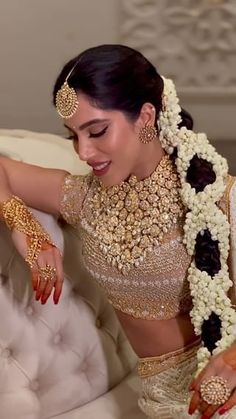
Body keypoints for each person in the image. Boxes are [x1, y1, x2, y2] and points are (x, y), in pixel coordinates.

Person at [0, 44, 236, 418]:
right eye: (73, 136)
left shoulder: (216, 199)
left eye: (97, 131)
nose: (83, 152)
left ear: (145, 116)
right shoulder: (84, 200)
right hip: (163, 401)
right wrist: (26, 227)